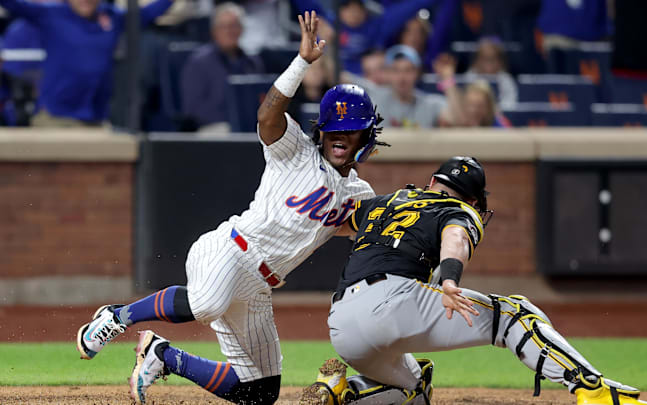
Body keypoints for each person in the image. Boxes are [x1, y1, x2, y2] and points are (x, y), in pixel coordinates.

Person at [76, 11, 384, 405]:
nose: (341, 136)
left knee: (259, 392)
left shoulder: (360, 193)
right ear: (320, 129)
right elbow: (267, 115)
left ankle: (162, 355)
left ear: (367, 136)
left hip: (258, 287)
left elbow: (359, 227)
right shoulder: (294, 150)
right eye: (334, 128)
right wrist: (302, 62)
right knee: (205, 303)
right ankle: (117, 317)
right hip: (231, 250)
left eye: (351, 129)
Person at [301, 156, 647, 405]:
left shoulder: (385, 201)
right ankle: (593, 389)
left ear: (432, 183)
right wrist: (450, 280)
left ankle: (339, 390)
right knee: (515, 314)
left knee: (417, 391)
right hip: (393, 301)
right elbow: (454, 240)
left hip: (342, 326)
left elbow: (330, 226)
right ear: (473, 199)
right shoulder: (457, 208)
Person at [0, 0, 174, 127]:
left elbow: (147, 14)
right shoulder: (50, 14)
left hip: (97, 118)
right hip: (57, 118)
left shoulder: (112, 17)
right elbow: (12, 4)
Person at [180, 3, 264, 132]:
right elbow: (192, 108)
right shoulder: (199, 62)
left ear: (242, 30)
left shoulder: (252, 62)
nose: (229, 31)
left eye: (234, 26)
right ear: (214, 31)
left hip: (249, 125)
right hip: (212, 127)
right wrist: (232, 119)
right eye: (223, 27)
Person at [466, 37, 518, 110]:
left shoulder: (506, 79)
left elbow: (510, 104)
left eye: (492, 59)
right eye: (484, 58)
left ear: (500, 61)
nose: (488, 64)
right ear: (477, 60)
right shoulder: (470, 76)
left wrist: (492, 111)